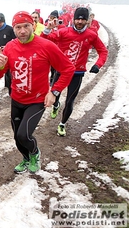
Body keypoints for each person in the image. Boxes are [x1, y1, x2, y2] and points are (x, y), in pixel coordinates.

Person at [0, 11, 75, 174]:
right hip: (16, 99)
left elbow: (68, 69)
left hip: (36, 101)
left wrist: (54, 92)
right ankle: (25, 158)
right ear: (14, 29)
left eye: (26, 26)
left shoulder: (46, 45)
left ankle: (35, 153)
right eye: (18, 27)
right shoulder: (10, 47)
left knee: (24, 135)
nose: (22, 31)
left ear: (33, 26)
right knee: (17, 137)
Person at [41, 7, 109, 137]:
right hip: (61, 70)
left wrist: (98, 65)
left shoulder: (91, 35)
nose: (79, 21)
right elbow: (45, 40)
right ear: (74, 19)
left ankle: (62, 124)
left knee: (70, 101)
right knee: (54, 95)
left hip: (77, 73)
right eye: (78, 18)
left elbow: (103, 51)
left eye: (83, 19)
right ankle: (56, 105)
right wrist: (47, 29)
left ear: (87, 20)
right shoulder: (63, 32)